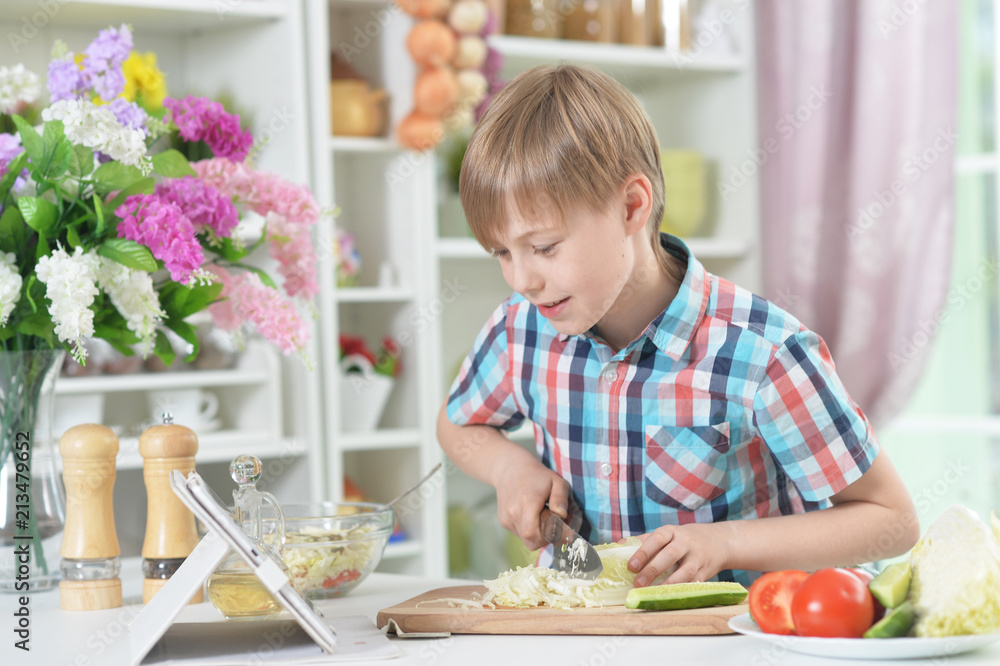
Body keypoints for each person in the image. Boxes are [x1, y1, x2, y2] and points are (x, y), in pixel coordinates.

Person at [436, 64, 919, 586]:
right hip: (592, 630)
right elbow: (458, 422)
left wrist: (727, 542)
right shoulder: (521, 329)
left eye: (545, 247)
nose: (522, 278)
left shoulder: (763, 352)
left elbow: (893, 522)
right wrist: (511, 470)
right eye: (502, 253)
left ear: (631, 206)